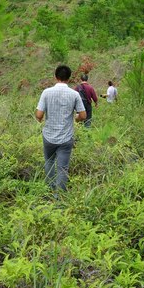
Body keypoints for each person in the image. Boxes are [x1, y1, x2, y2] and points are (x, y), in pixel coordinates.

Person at [35, 64, 86, 192]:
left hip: (49, 136)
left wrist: (41, 119)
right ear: (69, 78)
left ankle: (49, 190)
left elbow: (39, 115)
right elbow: (83, 115)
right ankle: (59, 197)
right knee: (63, 168)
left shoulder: (46, 93)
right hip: (66, 137)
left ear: (55, 76)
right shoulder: (74, 94)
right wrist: (76, 118)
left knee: (49, 162)